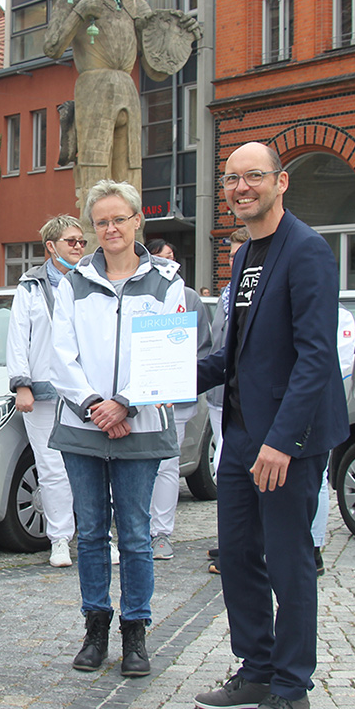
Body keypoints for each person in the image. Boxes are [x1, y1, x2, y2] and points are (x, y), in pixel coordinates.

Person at [193, 143, 349, 709]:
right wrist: (155, 383)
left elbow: (315, 357)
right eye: (231, 179)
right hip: (241, 436)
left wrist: (281, 442)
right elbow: (233, 355)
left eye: (253, 177)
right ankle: (255, 667)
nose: (240, 187)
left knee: (289, 562)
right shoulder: (245, 258)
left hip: (291, 439)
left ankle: (291, 686)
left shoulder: (306, 250)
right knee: (236, 556)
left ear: (280, 182)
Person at [51, 180, 185, 679]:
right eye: (101, 221)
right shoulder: (73, 282)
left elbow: (169, 351)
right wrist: (94, 406)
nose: (110, 228)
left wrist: (125, 403)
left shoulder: (168, 281)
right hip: (83, 423)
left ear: (136, 222)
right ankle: (95, 627)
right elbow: (60, 355)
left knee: (133, 533)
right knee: (89, 534)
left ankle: (135, 633)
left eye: (118, 219)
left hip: (142, 423)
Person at [43, 0, 199, 206]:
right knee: (94, 172)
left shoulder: (135, 4)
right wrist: (80, 12)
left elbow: (157, 68)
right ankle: (92, 238)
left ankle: (131, 238)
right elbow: (51, 46)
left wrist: (181, 37)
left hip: (127, 88)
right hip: (93, 87)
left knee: (130, 176)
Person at [6, 214, 84, 568]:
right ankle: (59, 540)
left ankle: (100, 537)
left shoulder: (90, 281)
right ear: (51, 247)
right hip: (42, 393)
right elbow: (18, 338)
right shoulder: (31, 286)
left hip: (85, 392)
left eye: (82, 241)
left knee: (92, 466)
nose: (79, 248)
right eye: (72, 242)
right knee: (51, 468)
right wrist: (21, 384)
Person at [143, 238, 211, 562]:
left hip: (176, 401)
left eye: (171, 258)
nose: (167, 263)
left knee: (167, 465)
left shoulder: (190, 299)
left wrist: (183, 379)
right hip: (138, 399)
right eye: (160, 258)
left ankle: (161, 533)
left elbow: (203, 347)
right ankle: (135, 529)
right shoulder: (135, 292)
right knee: (138, 466)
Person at [208, 228, 248, 577]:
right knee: (226, 473)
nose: (233, 260)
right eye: (230, 255)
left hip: (249, 405)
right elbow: (217, 351)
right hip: (218, 398)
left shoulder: (252, 294)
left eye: (240, 254)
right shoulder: (225, 294)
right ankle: (232, 544)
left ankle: (238, 547)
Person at [309, 304, 355, 576]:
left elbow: (342, 363)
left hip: (322, 402)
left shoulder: (341, 316)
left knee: (319, 477)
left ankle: (314, 547)